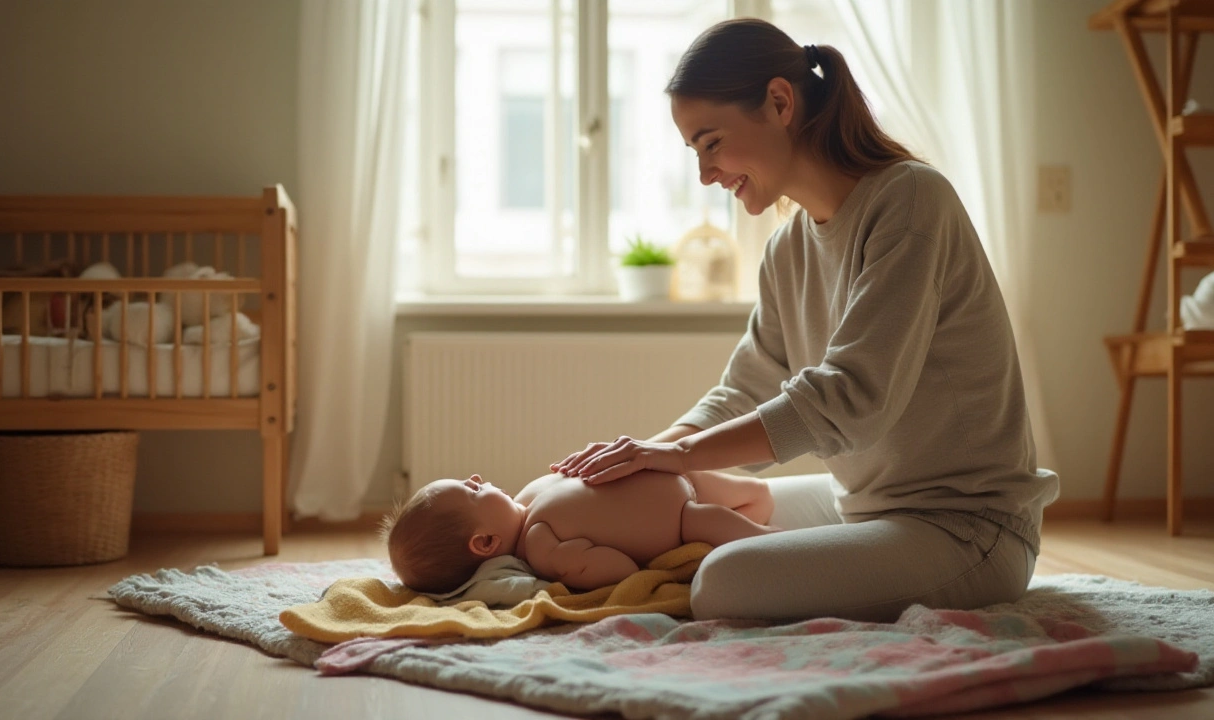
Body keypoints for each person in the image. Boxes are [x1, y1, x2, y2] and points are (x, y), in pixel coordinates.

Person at [551, 18, 1059, 623]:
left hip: (968, 530)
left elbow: (852, 398)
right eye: (695, 152)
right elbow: (744, 390)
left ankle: (806, 568)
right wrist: (633, 459)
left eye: (711, 143)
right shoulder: (786, 247)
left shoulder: (911, 201)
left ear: (780, 102)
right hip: (861, 506)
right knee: (682, 500)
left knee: (723, 581)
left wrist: (681, 455)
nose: (705, 175)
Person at [381, 470, 779, 593]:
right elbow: (622, 571)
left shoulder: (526, 499)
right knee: (751, 534)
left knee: (759, 493)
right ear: (485, 542)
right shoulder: (542, 547)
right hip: (682, 517)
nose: (477, 477)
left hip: (676, 475)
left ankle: (769, 529)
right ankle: (786, 547)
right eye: (471, 490)